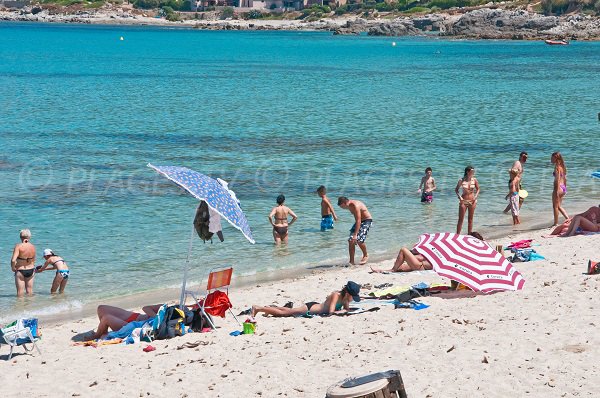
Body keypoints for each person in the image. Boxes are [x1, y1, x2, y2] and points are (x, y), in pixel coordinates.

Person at [370, 232, 485, 273]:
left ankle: (391, 270)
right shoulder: (459, 252)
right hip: (421, 264)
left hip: (421, 267)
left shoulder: (456, 250)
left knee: (403, 250)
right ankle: (385, 270)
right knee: (402, 267)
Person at [251, 281, 361, 317]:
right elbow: (331, 312)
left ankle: (267, 308)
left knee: (287, 311)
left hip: (316, 307)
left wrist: (347, 310)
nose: (352, 299)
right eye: (353, 296)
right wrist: (343, 311)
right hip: (310, 308)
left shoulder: (346, 299)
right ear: (347, 293)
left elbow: (346, 309)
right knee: (285, 313)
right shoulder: (335, 295)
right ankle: (259, 308)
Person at [88, 304, 162, 340]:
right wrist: (156, 317)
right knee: (101, 308)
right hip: (135, 317)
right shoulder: (166, 308)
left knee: (106, 318)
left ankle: (97, 335)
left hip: (131, 326)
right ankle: (103, 331)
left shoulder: (171, 319)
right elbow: (145, 308)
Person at [337, 197, 373, 265]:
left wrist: (355, 234)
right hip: (359, 222)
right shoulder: (349, 205)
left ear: (345, 203)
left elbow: (358, 220)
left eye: (342, 206)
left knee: (359, 240)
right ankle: (351, 261)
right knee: (351, 240)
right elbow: (357, 220)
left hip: (366, 221)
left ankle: (365, 255)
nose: (342, 208)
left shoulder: (355, 205)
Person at [455, 166, 480, 235]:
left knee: (470, 219)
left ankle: (469, 235)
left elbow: (478, 189)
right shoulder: (461, 180)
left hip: (472, 201)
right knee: (460, 219)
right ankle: (457, 235)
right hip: (463, 201)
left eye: (474, 171)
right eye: (472, 171)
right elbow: (456, 190)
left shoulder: (474, 180)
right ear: (467, 172)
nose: (473, 172)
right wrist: (460, 197)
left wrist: (475, 196)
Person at [11, 229, 36, 297]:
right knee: (30, 291)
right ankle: (31, 307)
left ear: (20, 237)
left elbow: (13, 260)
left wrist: (13, 268)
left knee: (20, 292)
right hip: (31, 270)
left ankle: (20, 307)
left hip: (21, 270)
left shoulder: (18, 246)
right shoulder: (33, 246)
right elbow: (33, 260)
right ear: (29, 237)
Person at [551, 152, 569, 226]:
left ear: (555, 158)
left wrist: (557, 190)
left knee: (555, 206)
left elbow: (558, 179)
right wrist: (564, 188)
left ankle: (555, 223)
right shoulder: (562, 167)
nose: (551, 159)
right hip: (563, 187)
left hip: (558, 187)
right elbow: (565, 178)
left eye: (552, 158)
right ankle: (568, 219)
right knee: (559, 206)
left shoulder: (557, 167)